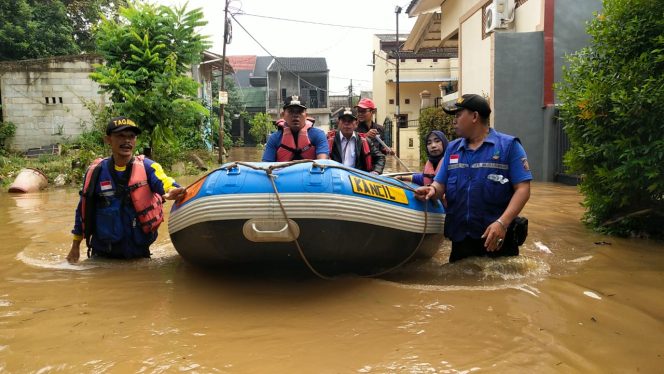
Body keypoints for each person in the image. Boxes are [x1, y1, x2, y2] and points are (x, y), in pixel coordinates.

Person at [415, 94, 532, 262]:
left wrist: (502, 223)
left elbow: (523, 189)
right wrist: (431, 190)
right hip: (461, 240)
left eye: (458, 115)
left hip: (497, 239)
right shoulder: (453, 149)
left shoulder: (509, 146)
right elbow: (440, 184)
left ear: (475, 116)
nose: (454, 121)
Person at [67, 116, 185, 262]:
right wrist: (75, 246)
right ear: (108, 139)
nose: (127, 141)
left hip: (139, 255)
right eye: (120, 136)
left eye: (131, 136)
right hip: (102, 256)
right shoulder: (96, 172)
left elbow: (165, 181)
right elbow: (83, 210)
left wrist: (172, 189)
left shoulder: (148, 167)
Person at [262, 95, 329, 161]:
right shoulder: (274, 139)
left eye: (299, 111)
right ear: (283, 115)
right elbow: (266, 165)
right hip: (283, 172)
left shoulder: (318, 135)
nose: (295, 115)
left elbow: (322, 163)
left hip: (311, 172)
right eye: (291, 111)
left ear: (306, 115)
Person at [328, 108, 385, 174]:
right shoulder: (329, 140)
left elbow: (380, 157)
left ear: (356, 123)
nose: (346, 124)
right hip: (336, 178)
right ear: (338, 122)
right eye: (343, 120)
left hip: (357, 180)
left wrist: (376, 171)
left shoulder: (364, 141)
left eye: (350, 121)